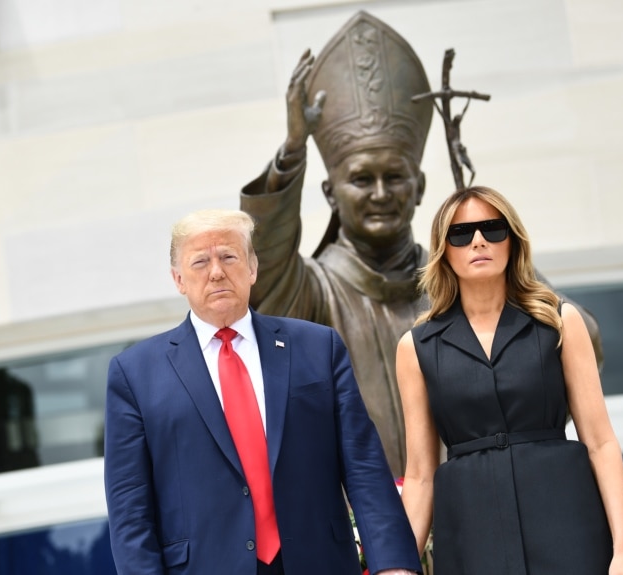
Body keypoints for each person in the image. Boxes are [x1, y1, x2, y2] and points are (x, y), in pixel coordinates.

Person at [103, 208, 422, 575]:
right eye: (200, 262)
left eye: (228, 256)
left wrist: (393, 564)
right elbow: (130, 509)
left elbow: (363, 465)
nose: (217, 272)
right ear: (178, 279)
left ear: (252, 268)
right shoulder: (135, 374)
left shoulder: (318, 347)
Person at [396, 186, 623, 574]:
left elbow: (601, 442)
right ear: (444, 250)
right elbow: (421, 475)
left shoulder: (559, 321)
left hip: (567, 524)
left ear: (513, 241)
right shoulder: (417, 347)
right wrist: (400, 565)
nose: (478, 241)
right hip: (471, 537)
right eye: (461, 233)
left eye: (493, 229)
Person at [241, 11, 434, 477]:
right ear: (331, 193)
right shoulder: (312, 293)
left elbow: (575, 333)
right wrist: (293, 148)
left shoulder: (457, 283)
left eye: (395, 177)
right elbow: (262, 262)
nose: (382, 194)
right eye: (362, 179)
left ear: (421, 186)